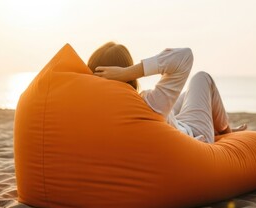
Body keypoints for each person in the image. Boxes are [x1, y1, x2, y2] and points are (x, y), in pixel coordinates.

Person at [89, 42, 247, 143]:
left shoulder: (96, 109)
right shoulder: (147, 104)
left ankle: (222, 126)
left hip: (173, 121)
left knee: (186, 95)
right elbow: (185, 56)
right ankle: (227, 132)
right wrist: (127, 73)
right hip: (195, 132)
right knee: (201, 78)